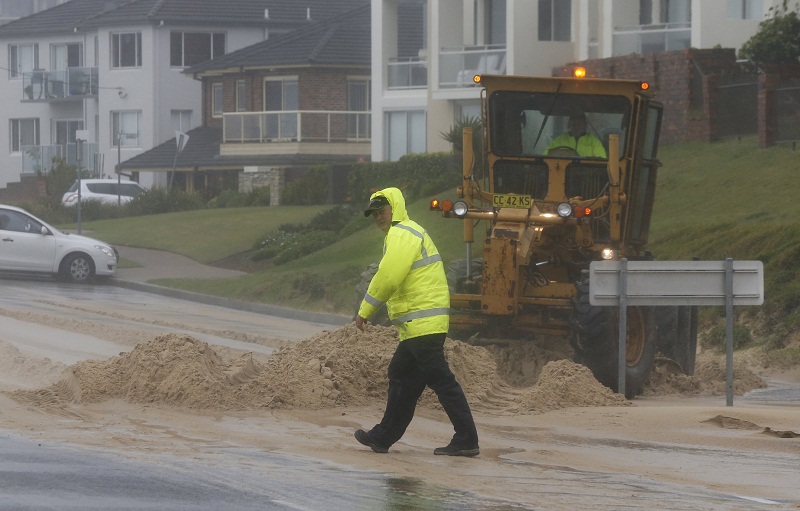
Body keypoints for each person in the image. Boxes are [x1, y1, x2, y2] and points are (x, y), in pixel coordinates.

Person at [353, 187, 480, 457]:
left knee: (442, 382)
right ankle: (382, 437)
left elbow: (388, 276)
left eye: (381, 211)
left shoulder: (403, 234)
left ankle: (467, 439)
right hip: (417, 327)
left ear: (394, 209)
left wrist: (365, 310)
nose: (378, 217)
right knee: (401, 376)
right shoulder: (402, 234)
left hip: (424, 325)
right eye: (374, 214)